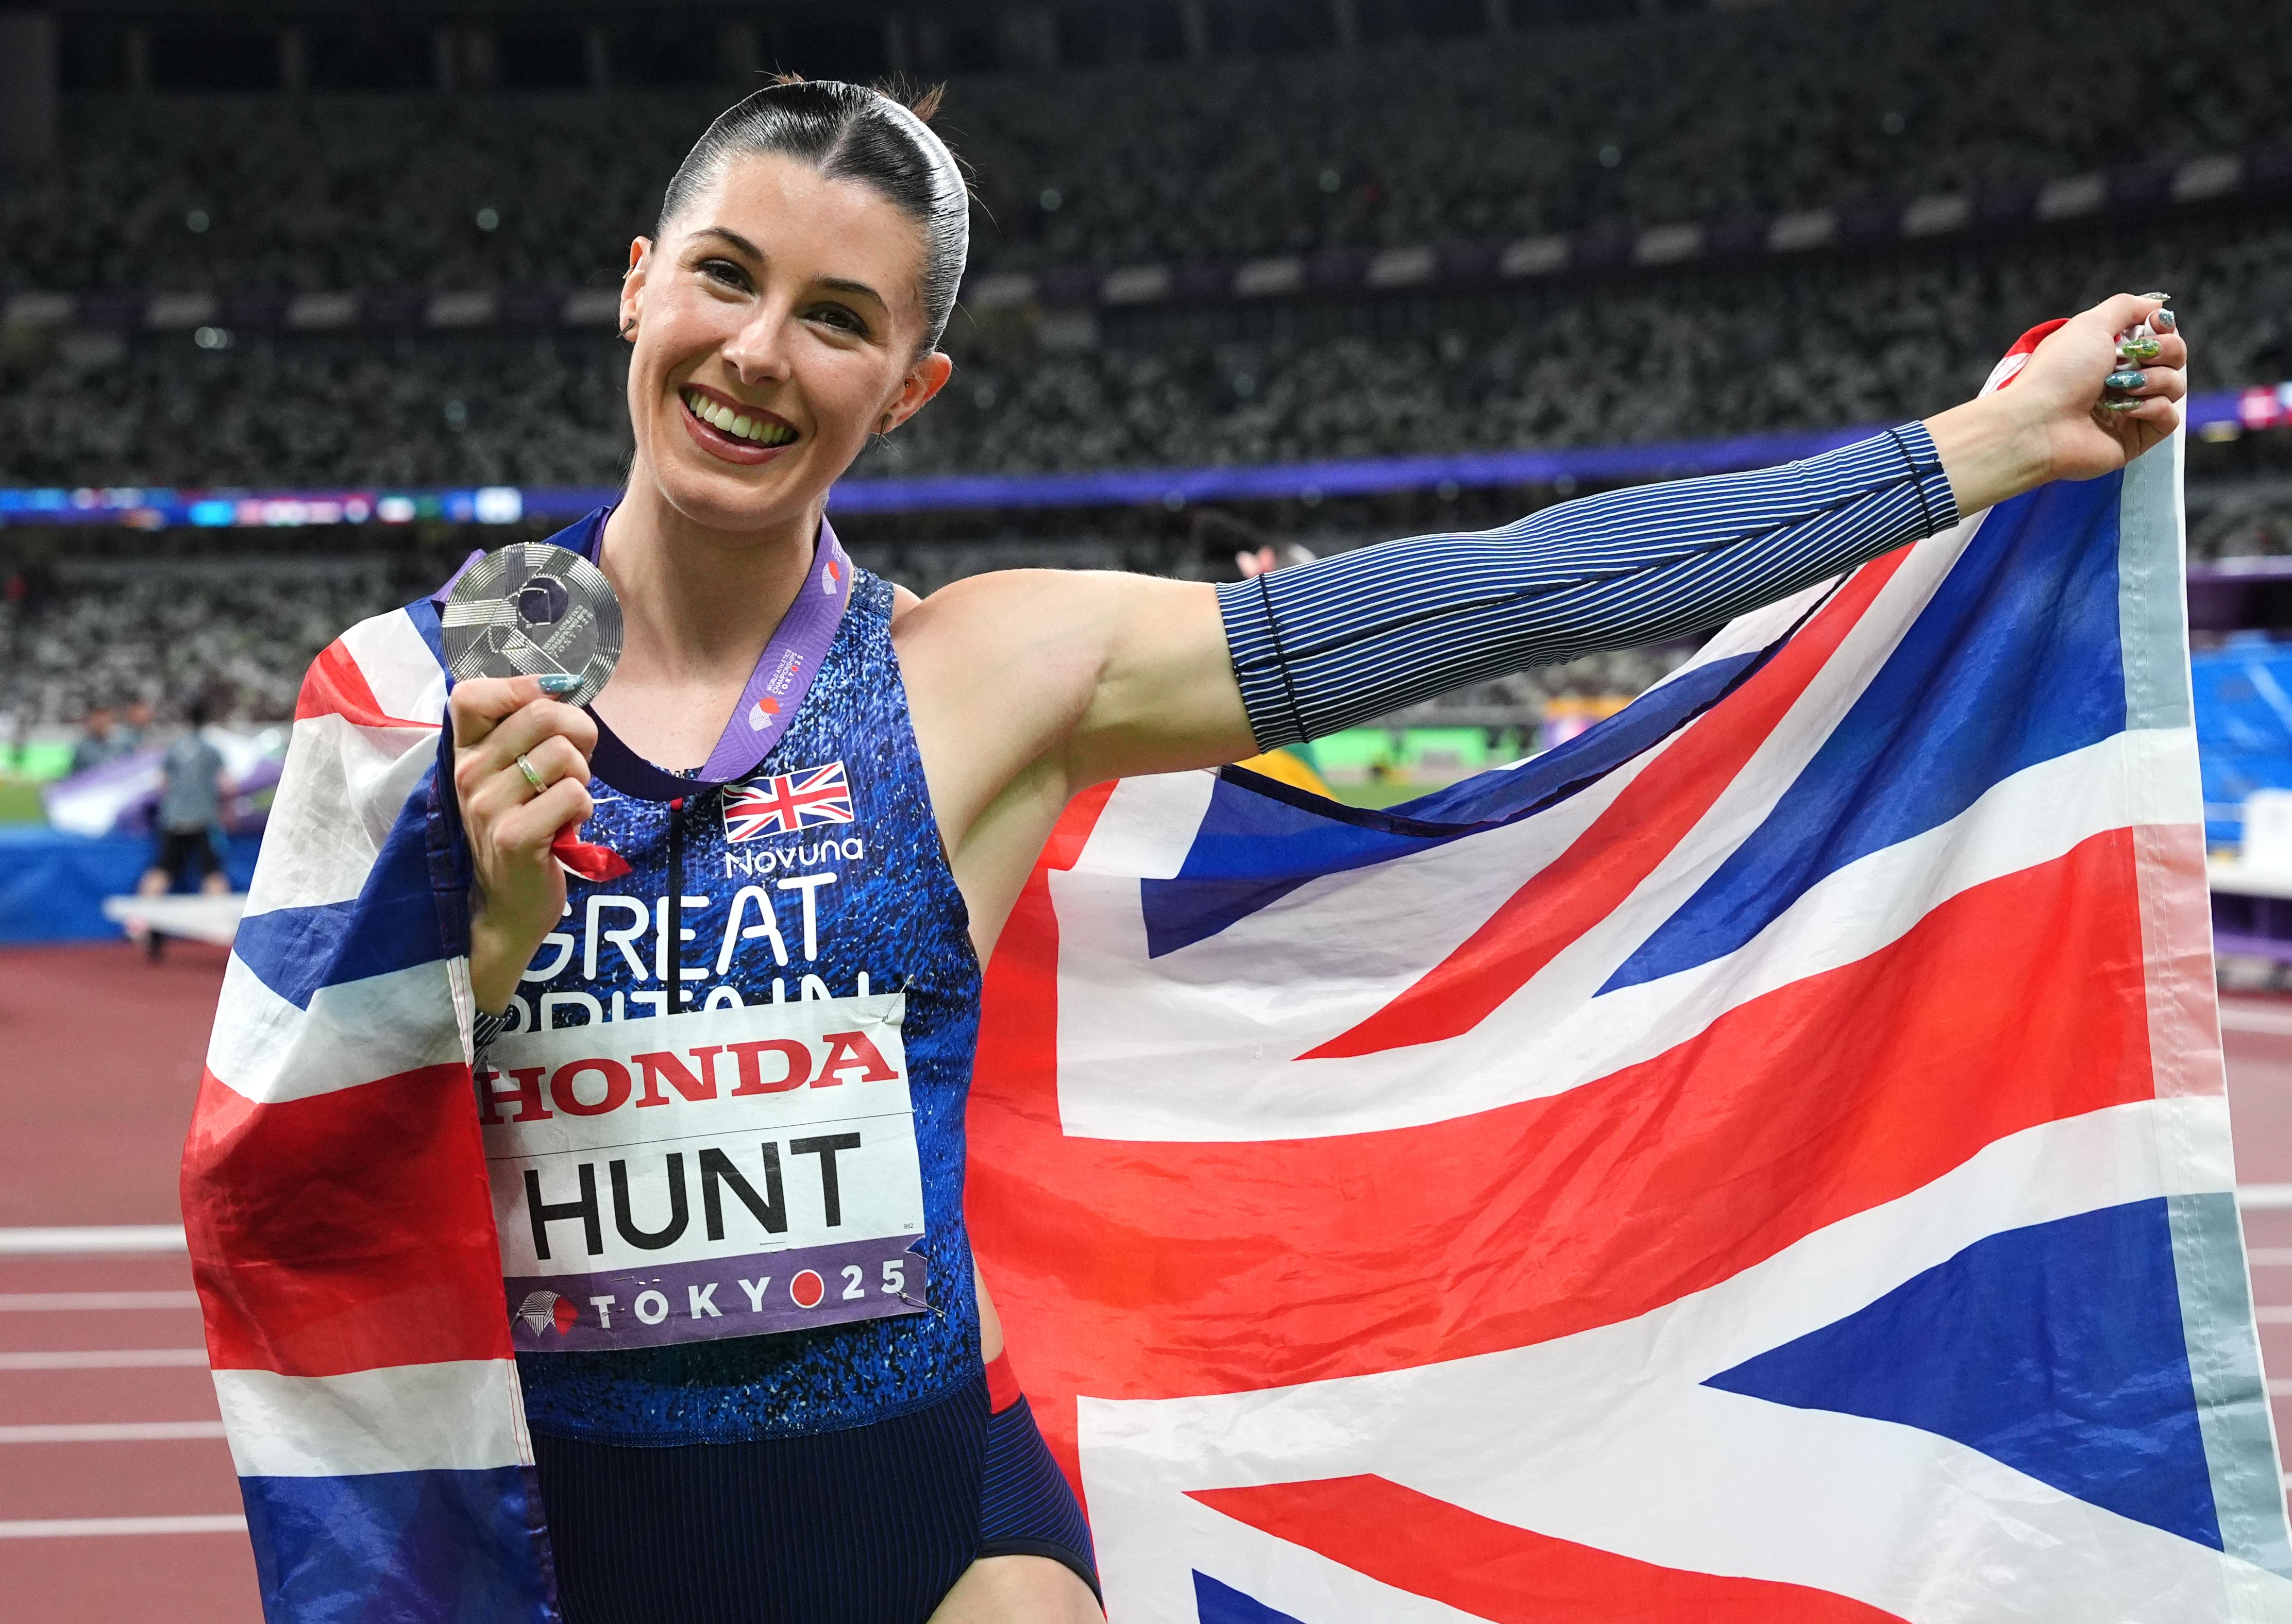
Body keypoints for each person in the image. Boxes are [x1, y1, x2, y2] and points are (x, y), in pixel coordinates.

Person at [286, 78, 2182, 1624]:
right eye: (723, 276)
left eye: (839, 318)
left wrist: (1974, 448)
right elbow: (286, 1170)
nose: (757, 353)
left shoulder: (992, 678)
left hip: (930, 1527)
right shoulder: (407, 693)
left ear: (910, 384)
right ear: (638, 286)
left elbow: (1510, 590)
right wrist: (480, 931)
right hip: (544, 1544)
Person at [132, 695, 232, 959]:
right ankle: (220, 929)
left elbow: (160, 783)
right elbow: (227, 786)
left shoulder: (174, 748)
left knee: (162, 869)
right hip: (203, 819)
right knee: (212, 872)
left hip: (173, 820)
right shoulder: (212, 751)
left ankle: (143, 923)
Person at [65, 701, 123, 776]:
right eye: (98, 717)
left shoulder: (122, 745)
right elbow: (75, 777)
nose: (102, 721)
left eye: (105, 716)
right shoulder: (83, 749)